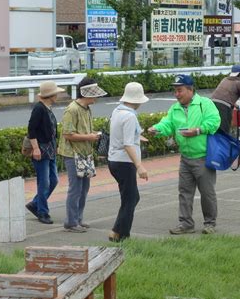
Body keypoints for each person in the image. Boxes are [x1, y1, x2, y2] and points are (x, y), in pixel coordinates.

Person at [148, 75, 221, 235]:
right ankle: (186, 224)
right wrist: (157, 129)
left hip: (203, 156)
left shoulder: (204, 104)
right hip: (185, 158)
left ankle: (210, 224)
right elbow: (167, 124)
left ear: (190, 89)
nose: (177, 94)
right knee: (184, 192)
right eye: (175, 91)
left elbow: (215, 121)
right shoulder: (175, 108)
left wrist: (197, 130)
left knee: (207, 193)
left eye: (179, 90)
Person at [58, 77, 107, 233]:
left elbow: (78, 131)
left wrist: (91, 134)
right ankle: (71, 222)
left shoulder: (85, 108)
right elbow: (67, 134)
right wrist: (89, 137)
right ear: (86, 94)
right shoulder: (72, 109)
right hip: (73, 153)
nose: (96, 98)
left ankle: (77, 219)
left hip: (84, 152)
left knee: (84, 188)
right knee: (76, 188)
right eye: (94, 95)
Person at [108, 82, 149, 243]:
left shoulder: (117, 111)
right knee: (131, 198)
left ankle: (118, 231)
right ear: (137, 100)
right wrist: (139, 165)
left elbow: (124, 136)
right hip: (124, 162)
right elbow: (127, 144)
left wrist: (137, 137)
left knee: (130, 197)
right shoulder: (130, 116)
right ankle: (120, 234)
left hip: (115, 160)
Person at [25, 81, 65, 224]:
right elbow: (31, 130)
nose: (58, 95)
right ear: (51, 95)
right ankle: (42, 212)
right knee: (44, 182)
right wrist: (35, 148)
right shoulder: (39, 109)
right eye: (56, 93)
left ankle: (35, 203)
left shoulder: (47, 108)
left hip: (50, 150)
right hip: (41, 150)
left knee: (53, 180)